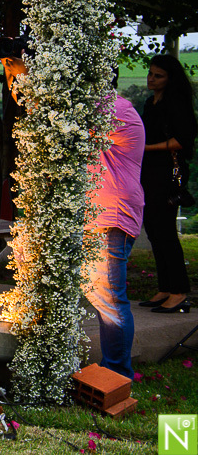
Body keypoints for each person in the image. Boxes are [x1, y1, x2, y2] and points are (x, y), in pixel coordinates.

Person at [85, 92, 146, 377]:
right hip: (96, 215)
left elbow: (67, 127)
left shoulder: (117, 109)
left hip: (110, 216)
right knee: (103, 299)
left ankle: (117, 376)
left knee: (110, 301)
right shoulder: (96, 108)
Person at [138, 54, 196, 313]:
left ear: (170, 79)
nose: (151, 79)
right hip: (149, 170)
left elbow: (182, 140)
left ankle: (179, 291)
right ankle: (165, 287)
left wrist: (147, 147)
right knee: (153, 229)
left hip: (167, 172)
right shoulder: (150, 102)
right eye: (150, 73)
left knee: (165, 231)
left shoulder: (176, 103)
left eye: (158, 75)